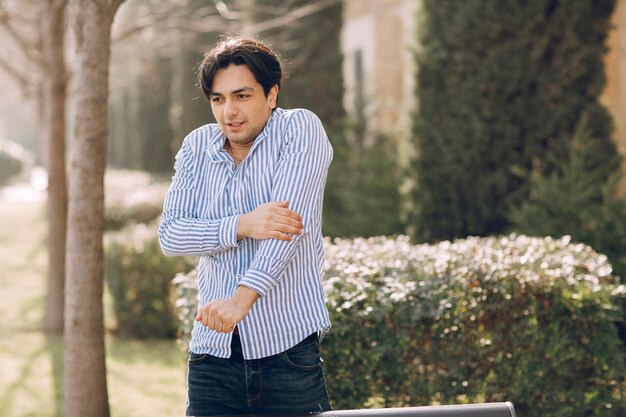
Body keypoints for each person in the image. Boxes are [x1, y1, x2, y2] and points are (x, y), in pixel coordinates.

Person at [158, 35, 333, 416]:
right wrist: (242, 224)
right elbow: (171, 234)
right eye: (218, 100)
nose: (229, 112)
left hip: (286, 354)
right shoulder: (196, 147)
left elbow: (287, 231)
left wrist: (241, 300)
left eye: (242, 96)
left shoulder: (299, 130)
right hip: (211, 355)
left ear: (271, 95)